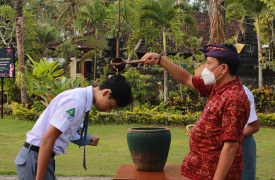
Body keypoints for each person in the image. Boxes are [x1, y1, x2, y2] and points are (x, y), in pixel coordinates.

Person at [141, 43, 250, 180]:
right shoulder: (217, 88)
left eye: (209, 64)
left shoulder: (234, 99)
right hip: (202, 170)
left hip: (214, 174)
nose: (205, 68)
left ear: (223, 68)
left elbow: (230, 147)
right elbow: (187, 78)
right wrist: (160, 60)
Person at [14, 74, 133, 180]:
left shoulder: (81, 99)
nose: (108, 110)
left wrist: (88, 139)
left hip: (39, 157)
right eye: (111, 106)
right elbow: (47, 139)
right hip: (35, 158)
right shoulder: (76, 102)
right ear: (106, 92)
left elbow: (69, 129)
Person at [242, 85, 259, 180]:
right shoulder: (217, 90)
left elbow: (254, 126)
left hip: (243, 142)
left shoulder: (243, 92)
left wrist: (231, 137)